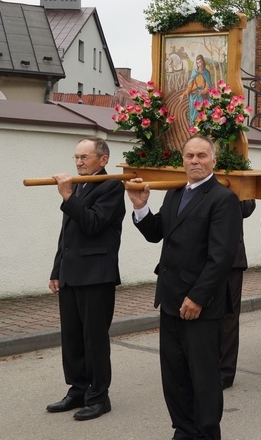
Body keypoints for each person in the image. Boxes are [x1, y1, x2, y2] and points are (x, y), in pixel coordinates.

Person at [128, 135, 242, 440]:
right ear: (183, 160)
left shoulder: (223, 199)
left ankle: (206, 433)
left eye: (202, 156)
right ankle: (184, 428)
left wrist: (197, 297)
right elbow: (158, 234)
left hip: (201, 304)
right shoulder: (175, 194)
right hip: (170, 298)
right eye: (189, 155)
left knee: (203, 376)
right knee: (175, 374)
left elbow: (221, 257)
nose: (195, 161)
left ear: (213, 160)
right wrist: (141, 208)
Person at [46, 137, 125, 421]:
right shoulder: (78, 185)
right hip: (71, 273)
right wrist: (57, 269)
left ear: (103, 160)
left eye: (85, 157)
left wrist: (68, 197)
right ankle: (77, 389)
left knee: (94, 339)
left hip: (96, 275)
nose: (79, 162)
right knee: (72, 338)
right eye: (76, 157)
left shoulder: (112, 186)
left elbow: (92, 224)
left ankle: (98, 397)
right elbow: (67, 234)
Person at [220, 199, 256, 389]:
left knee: (229, 316)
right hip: (198, 257)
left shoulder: (237, 177)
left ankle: (225, 372)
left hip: (231, 259)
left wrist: (234, 189)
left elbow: (247, 208)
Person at [185, 54, 212, 125]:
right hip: (195, 93)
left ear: (203, 62)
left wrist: (202, 91)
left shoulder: (206, 73)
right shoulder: (194, 72)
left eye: (200, 62)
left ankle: (201, 122)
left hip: (204, 94)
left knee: (201, 101)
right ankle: (194, 121)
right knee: (195, 100)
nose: (199, 64)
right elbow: (190, 85)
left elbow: (208, 86)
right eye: (197, 63)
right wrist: (184, 93)